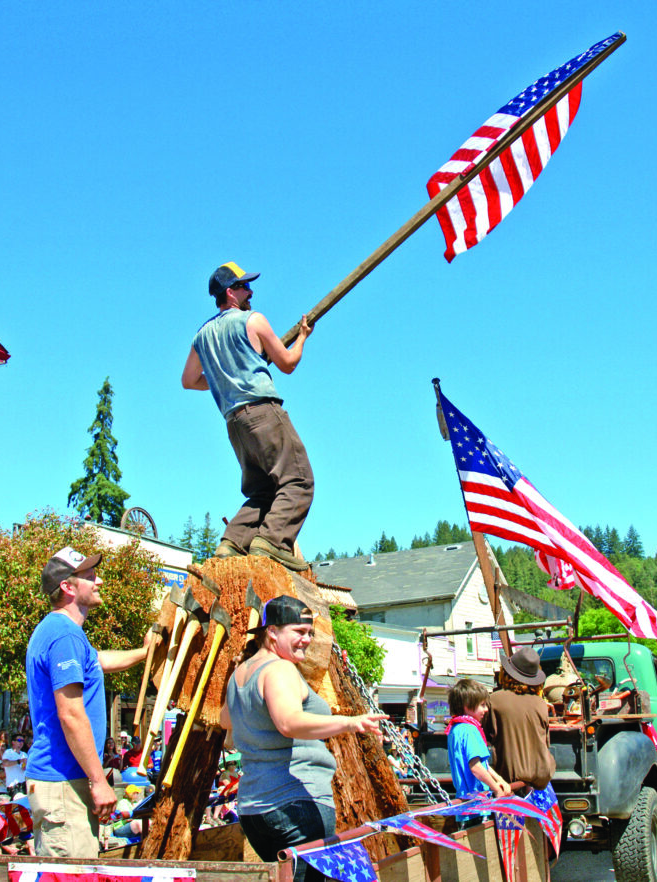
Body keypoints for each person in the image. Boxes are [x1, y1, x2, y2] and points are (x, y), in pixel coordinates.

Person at [219, 595, 385, 882]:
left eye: (309, 633)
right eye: (298, 631)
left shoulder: (240, 673)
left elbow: (225, 720)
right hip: (294, 803)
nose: (306, 640)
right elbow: (288, 722)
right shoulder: (279, 669)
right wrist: (349, 722)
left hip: (253, 810)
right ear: (272, 632)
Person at [182, 261, 314, 571]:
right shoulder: (252, 321)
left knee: (262, 490)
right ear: (230, 293)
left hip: (234, 422)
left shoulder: (202, 335)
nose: (250, 291)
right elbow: (288, 363)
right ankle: (272, 542)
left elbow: (188, 381)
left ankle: (232, 544)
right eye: (244, 286)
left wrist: (219, 378)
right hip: (263, 411)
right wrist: (303, 336)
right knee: (298, 480)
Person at [25, 546, 151, 858]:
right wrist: (98, 780)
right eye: (90, 577)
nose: (100, 581)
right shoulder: (64, 635)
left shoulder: (63, 633)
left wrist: (145, 653)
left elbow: (99, 661)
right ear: (67, 587)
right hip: (64, 782)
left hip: (64, 781)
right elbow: (70, 714)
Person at [484, 648, 556, 793]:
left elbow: (484, 735)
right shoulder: (541, 704)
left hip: (509, 778)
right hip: (541, 775)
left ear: (507, 674)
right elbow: (545, 742)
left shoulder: (494, 700)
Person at [446, 679, 510, 803]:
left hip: (464, 800)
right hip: (477, 803)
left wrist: (500, 779)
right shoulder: (470, 730)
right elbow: (476, 767)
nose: (486, 709)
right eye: (482, 705)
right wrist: (497, 789)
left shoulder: (455, 728)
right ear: (467, 705)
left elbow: (482, 764)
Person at [1, 733, 27, 798]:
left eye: (22, 741)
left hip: (23, 784)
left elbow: (24, 768)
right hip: (13, 785)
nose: (21, 742)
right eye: (19, 740)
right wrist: (19, 761)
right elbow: (5, 763)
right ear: (13, 742)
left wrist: (25, 765)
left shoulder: (24, 754)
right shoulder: (8, 752)